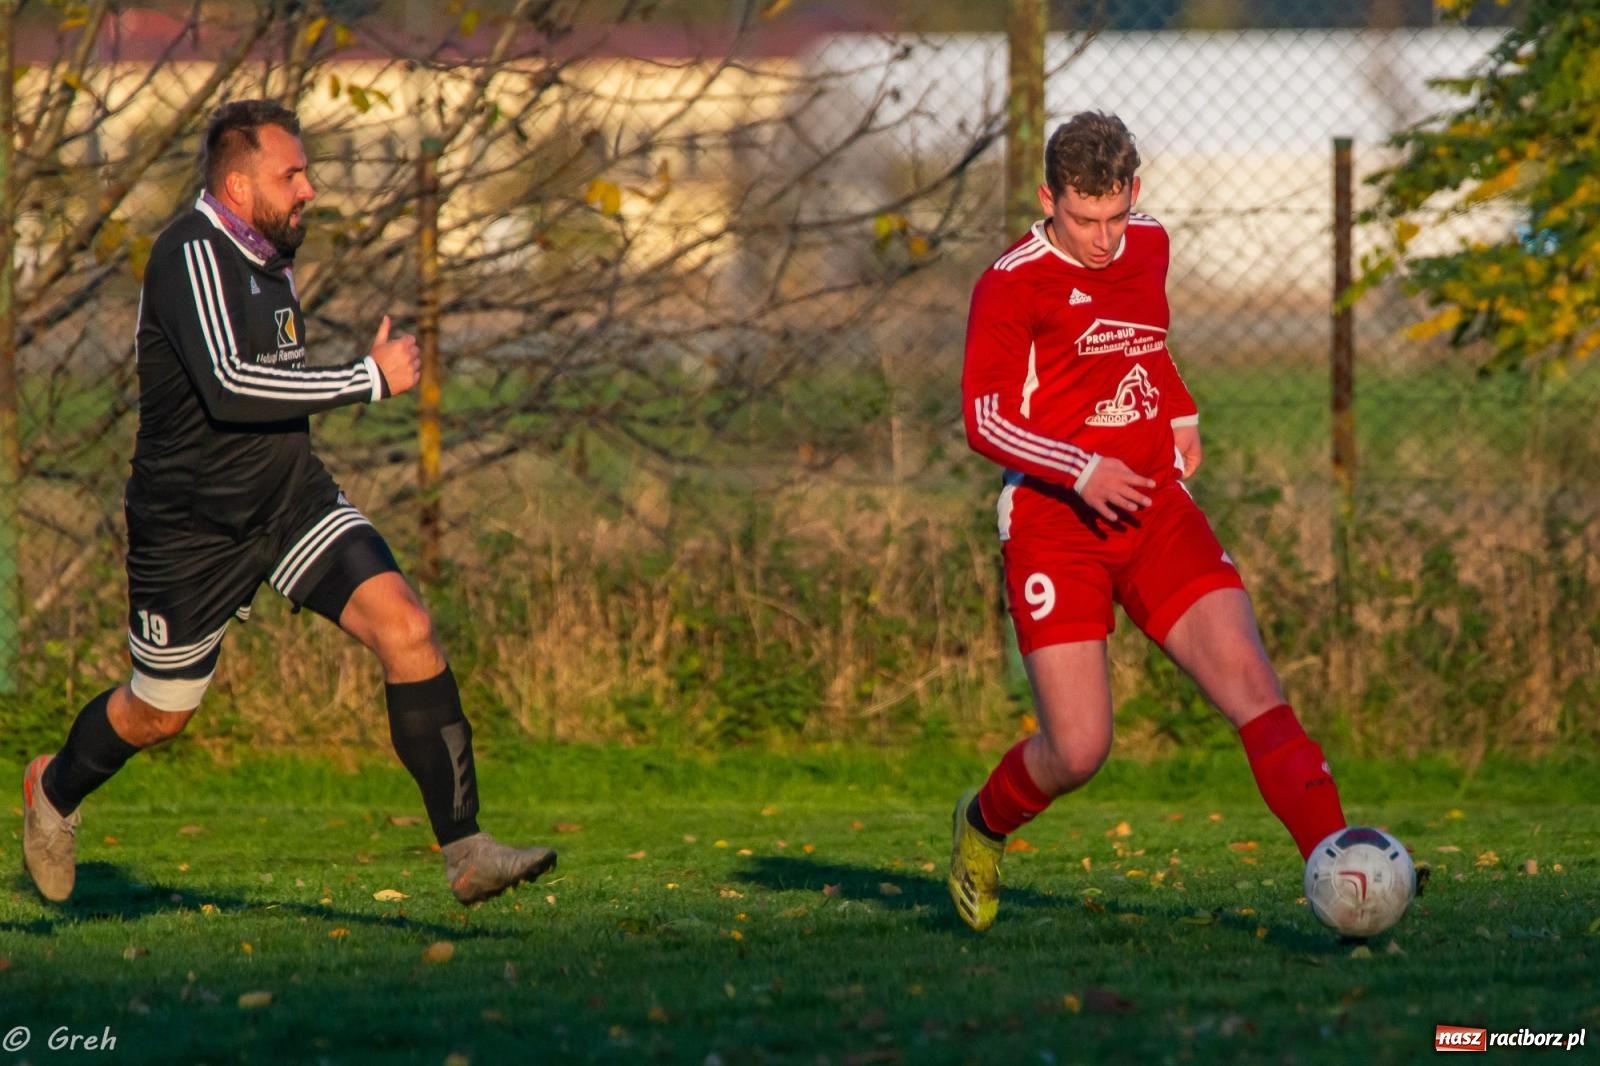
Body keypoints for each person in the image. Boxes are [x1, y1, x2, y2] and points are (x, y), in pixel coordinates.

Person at [21, 100, 555, 906]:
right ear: (239, 185)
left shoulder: (271, 255)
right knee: (160, 714)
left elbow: (273, 389)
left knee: (407, 627)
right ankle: (54, 789)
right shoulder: (188, 253)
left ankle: (466, 848)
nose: (309, 188)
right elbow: (230, 387)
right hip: (191, 529)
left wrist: (344, 385)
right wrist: (366, 378)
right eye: (292, 174)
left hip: (290, 502)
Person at [948, 111, 1346, 932]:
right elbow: (984, 420)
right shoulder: (1012, 283)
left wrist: (1179, 409)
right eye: (1082, 219)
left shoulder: (1150, 243)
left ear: (1136, 190)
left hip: (1155, 508)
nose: (1102, 239)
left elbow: (1143, 342)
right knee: (1079, 749)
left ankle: (1345, 872)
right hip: (1055, 526)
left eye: (1115, 215)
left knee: (1253, 685)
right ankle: (983, 823)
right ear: (1048, 199)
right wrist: (1080, 468)